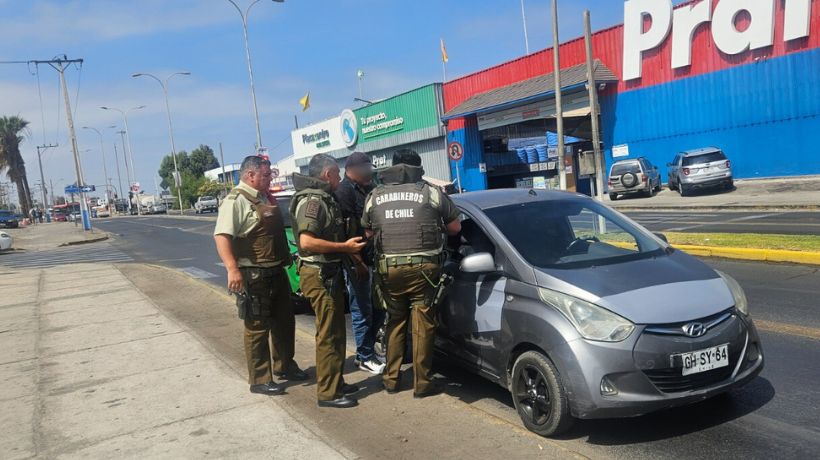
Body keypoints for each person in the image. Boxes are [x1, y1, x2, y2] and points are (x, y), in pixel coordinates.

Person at [362, 149, 461, 398]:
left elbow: (368, 234)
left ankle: (391, 379)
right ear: (419, 168)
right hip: (424, 271)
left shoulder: (374, 195)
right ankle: (423, 382)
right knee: (423, 325)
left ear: (393, 166)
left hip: (389, 271)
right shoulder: (431, 192)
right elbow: (455, 227)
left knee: (395, 321)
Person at [213, 155, 307, 397]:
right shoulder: (235, 200)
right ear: (250, 175)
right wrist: (232, 269)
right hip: (253, 273)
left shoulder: (264, 197)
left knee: (285, 322)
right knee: (256, 328)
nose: (269, 179)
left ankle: (285, 365)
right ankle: (260, 378)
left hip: (276, 270)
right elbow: (222, 236)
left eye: (270, 174)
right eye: (266, 175)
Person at [290, 154, 366, 408]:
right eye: (336, 173)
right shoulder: (313, 201)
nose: (339, 178)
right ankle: (328, 393)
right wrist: (343, 247)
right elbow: (306, 241)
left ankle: (335, 381)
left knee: (336, 332)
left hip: (329, 274)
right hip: (319, 275)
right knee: (328, 334)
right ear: (326, 174)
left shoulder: (325, 199)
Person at [334, 152, 385, 375]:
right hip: (357, 261)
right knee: (362, 311)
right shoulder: (343, 193)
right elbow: (345, 235)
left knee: (379, 310)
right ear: (353, 170)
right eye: (366, 170)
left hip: (374, 258)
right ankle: (365, 357)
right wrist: (358, 262)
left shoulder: (368, 188)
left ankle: (366, 352)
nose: (369, 174)